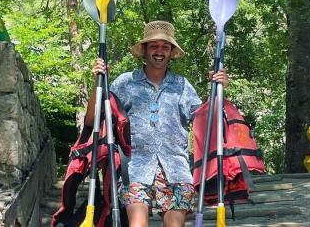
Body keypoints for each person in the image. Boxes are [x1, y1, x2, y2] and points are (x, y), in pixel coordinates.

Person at [85, 20, 229, 227]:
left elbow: (207, 122)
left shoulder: (181, 85)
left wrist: (219, 91)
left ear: (171, 52)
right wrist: (97, 81)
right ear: (144, 50)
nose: (159, 51)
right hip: (134, 169)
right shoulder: (125, 82)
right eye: (154, 46)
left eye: (165, 46)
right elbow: (92, 120)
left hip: (176, 169)